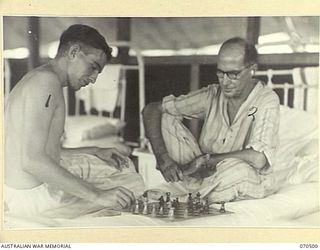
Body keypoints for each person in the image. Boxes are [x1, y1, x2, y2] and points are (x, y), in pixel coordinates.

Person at [4, 24, 144, 219]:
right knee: (131, 184)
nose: (94, 78)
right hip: (35, 201)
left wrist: (94, 150)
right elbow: (32, 161)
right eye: (93, 67)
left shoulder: (37, 78)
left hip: (19, 193)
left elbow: (40, 151)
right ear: (74, 52)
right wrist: (99, 195)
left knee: (118, 171)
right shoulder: (46, 83)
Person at [142, 37, 280, 202]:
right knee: (164, 117)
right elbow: (151, 109)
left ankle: (187, 198)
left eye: (233, 74)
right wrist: (162, 158)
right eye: (220, 73)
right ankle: (196, 195)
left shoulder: (266, 99)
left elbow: (259, 159)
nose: (225, 82)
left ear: (252, 70)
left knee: (236, 170)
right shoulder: (212, 94)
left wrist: (208, 160)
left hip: (242, 175)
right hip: (203, 175)